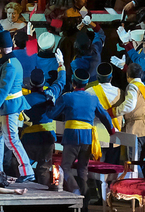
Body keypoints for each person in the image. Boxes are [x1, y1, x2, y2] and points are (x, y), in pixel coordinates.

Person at [46, 68, 115, 197]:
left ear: (73, 82)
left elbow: (51, 114)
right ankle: (85, 198)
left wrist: (49, 103)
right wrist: (111, 131)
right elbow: (104, 116)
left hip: (72, 136)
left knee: (65, 167)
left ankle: (75, 190)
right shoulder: (93, 98)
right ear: (86, 84)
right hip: (88, 137)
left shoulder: (67, 97)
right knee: (83, 169)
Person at [0, 30, 31, 184]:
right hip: (4, 107)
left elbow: (3, 89)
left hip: (9, 107)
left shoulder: (11, 65)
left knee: (12, 139)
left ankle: (27, 171)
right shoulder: (6, 62)